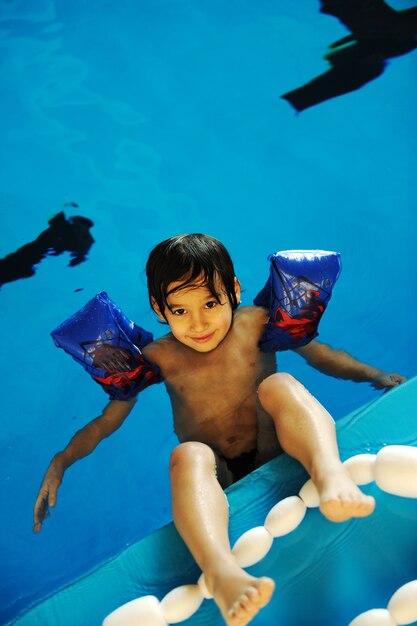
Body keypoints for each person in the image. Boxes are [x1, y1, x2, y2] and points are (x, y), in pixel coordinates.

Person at [33, 234, 407, 626]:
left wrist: (375, 375)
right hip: (220, 477)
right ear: (160, 310)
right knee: (187, 455)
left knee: (279, 386)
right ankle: (221, 571)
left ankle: (330, 476)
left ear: (233, 291)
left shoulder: (256, 324)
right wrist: (61, 461)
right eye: (180, 311)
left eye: (210, 304)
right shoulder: (160, 358)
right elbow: (108, 420)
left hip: (281, 445)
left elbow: (322, 356)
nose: (198, 324)